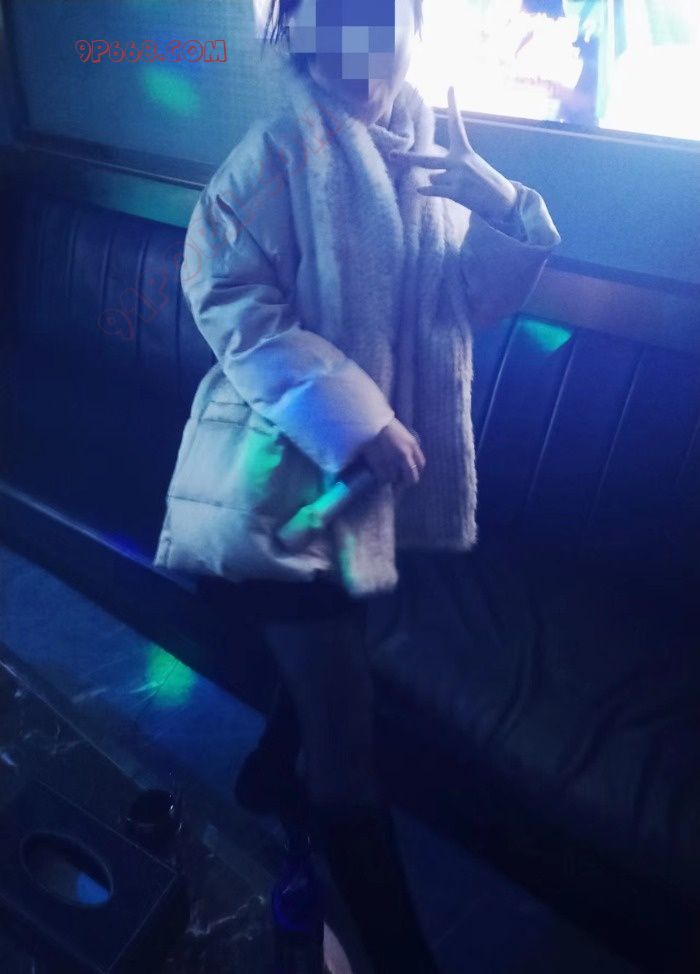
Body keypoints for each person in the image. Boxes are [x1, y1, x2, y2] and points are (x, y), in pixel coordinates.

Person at [158, 1, 561, 970]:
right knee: (348, 745)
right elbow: (222, 291)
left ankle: (268, 779)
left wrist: (495, 199)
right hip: (274, 497)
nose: (361, 57)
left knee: (340, 679)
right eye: (332, 25)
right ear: (297, 33)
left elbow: (468, 300)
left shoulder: (422, 147)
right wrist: (357, 415)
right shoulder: (277, 153)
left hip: (364, 499)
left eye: (380, 22)